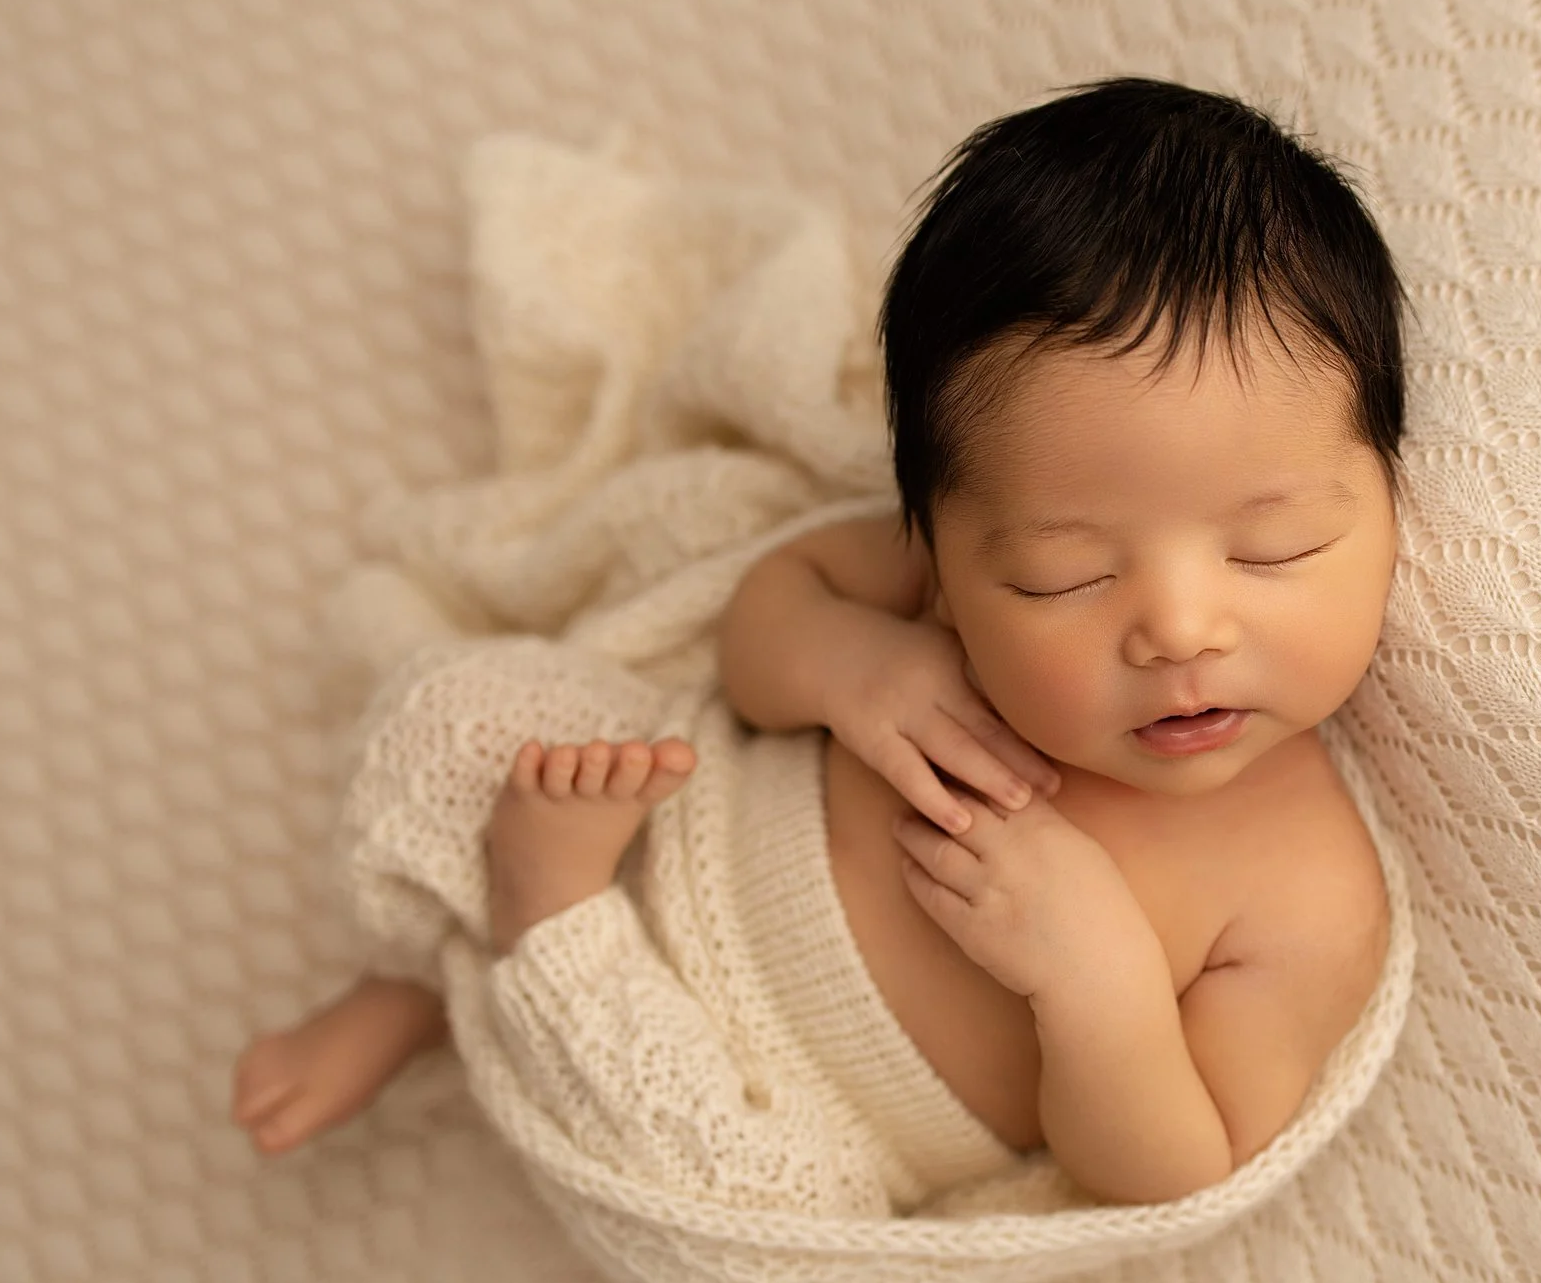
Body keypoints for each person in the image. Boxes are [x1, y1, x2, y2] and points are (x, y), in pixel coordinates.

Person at [231, 76, 1406, 1209]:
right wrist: (851, 662)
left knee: (736, 1199)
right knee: (460, 713)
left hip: (796, 1098)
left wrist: (1095, 980)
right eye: (1066, 574)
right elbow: (761, 620)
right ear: (945, 548)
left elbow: (1178, 1162)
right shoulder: (932, 593)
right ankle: (419, 978)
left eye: (1275, 548)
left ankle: (539, 921)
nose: (1179, 628)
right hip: (662, 819)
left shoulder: (1309, 892)